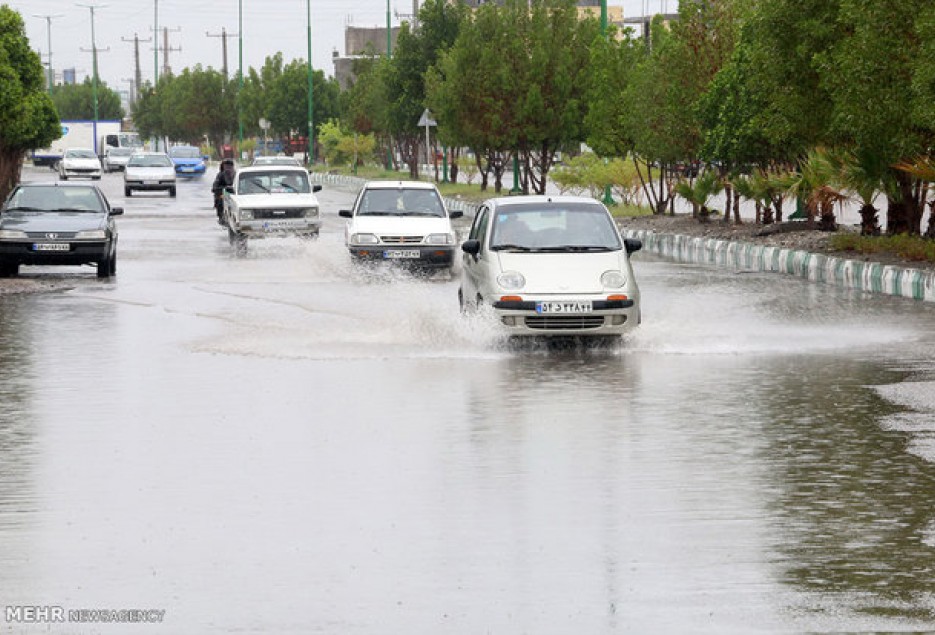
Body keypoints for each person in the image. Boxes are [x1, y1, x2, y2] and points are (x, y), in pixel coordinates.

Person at [211, 159, 236, 224]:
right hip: (224, 194)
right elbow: (215, 186)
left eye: (230, 166)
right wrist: (220, 189)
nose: (228, 168)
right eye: (226, 166)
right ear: (223, 166)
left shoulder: (236, 174)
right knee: (220, 200)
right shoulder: (220, 175)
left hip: (236, 194)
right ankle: (221, 216)